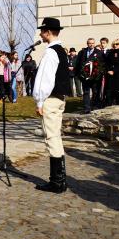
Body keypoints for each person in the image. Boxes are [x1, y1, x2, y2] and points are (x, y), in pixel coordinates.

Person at [32, 17, 71, 194]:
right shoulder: (60, 50)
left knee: (52, 138)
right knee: (55, 136)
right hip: (59, 98)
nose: (40, 34)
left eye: (42, 31)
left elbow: (45, 80)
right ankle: (60, 180)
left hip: (51, 98)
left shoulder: (51, 52)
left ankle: (57, 181)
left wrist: (40, 101)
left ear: (48, 32)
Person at [75, 38, 103, 113]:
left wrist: (99, 74)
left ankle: (94, 106)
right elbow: (78, 63)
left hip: (95, 77)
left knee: (95, 92)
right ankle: (86, 108)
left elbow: (102, 64)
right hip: (85, 77)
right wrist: (78, 74)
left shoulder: (99, 52)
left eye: (92, 43)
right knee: (86, 92)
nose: (91, 44)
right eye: (89, 43)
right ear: (87, 44)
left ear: (94, 43)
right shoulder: (82, 52)